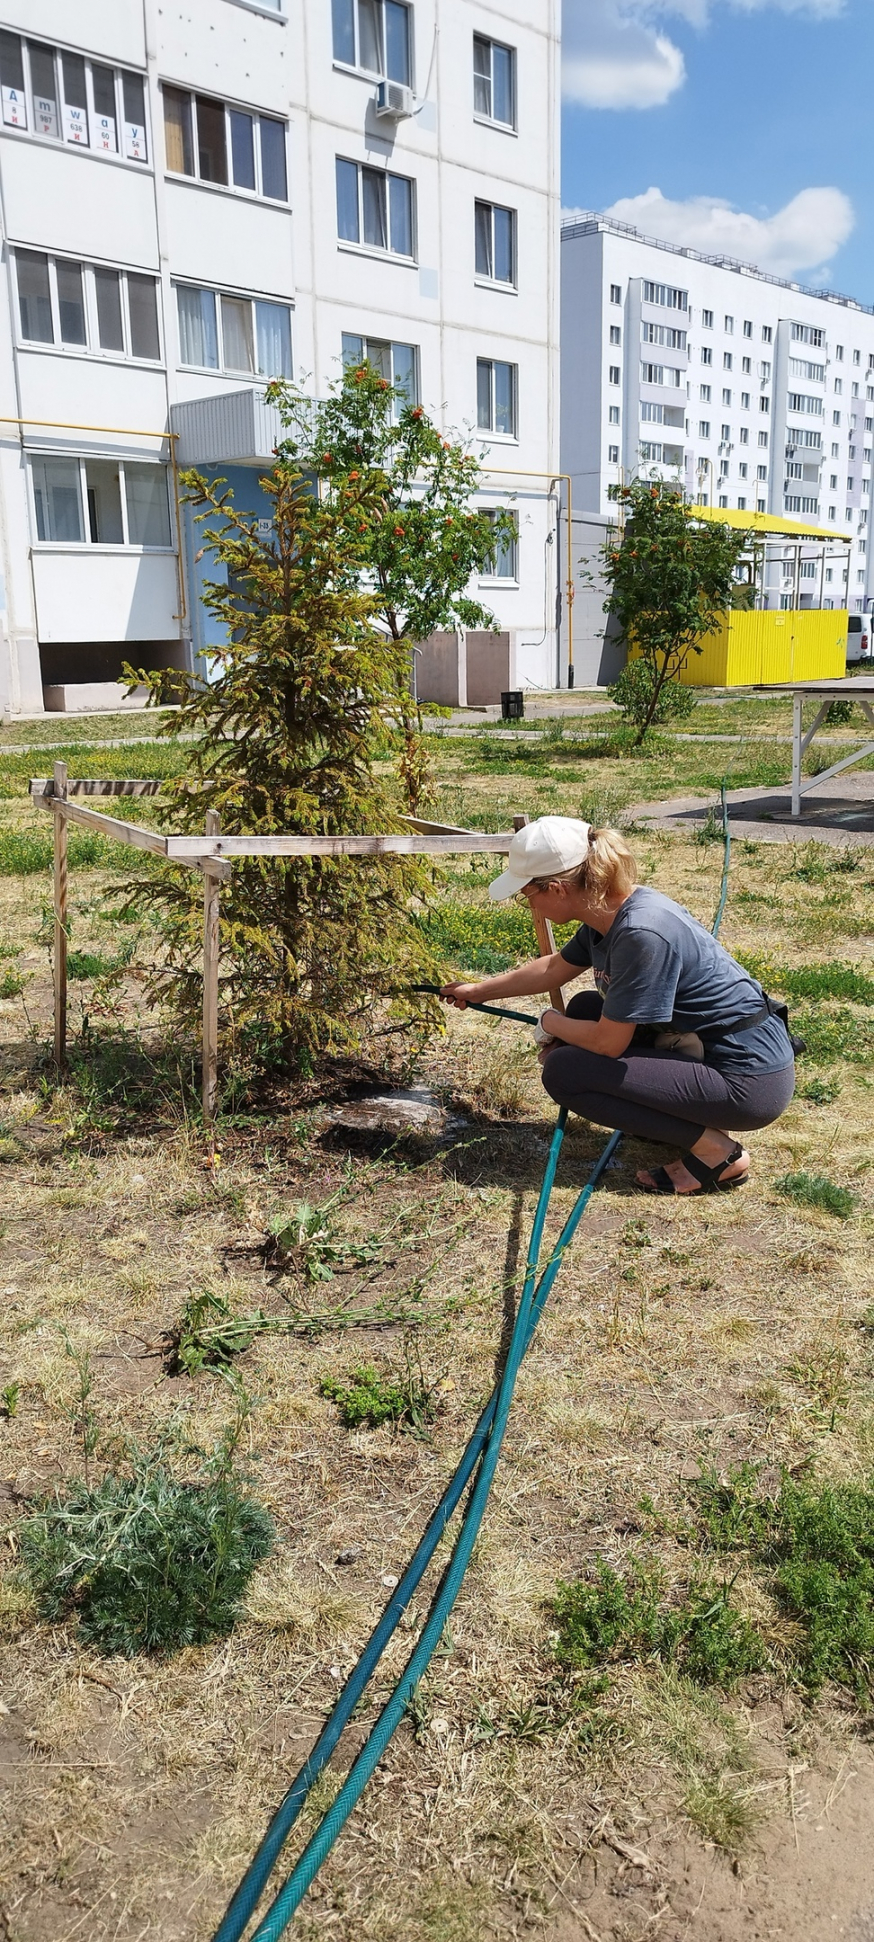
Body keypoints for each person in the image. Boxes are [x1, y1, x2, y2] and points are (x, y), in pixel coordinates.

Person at [440, 816, 795, 1196]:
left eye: (528, 894)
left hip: (748, 1081)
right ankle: (684, 1118)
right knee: (585, 1008)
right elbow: (555, 967)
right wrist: (479, 991)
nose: (528, 904)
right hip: (708, 1049)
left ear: (558, 889)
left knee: (565, 1072)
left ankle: (717, 1153)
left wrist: (550, 1022)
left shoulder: (641, 933)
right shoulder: (607, 910)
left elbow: (608, 1044)